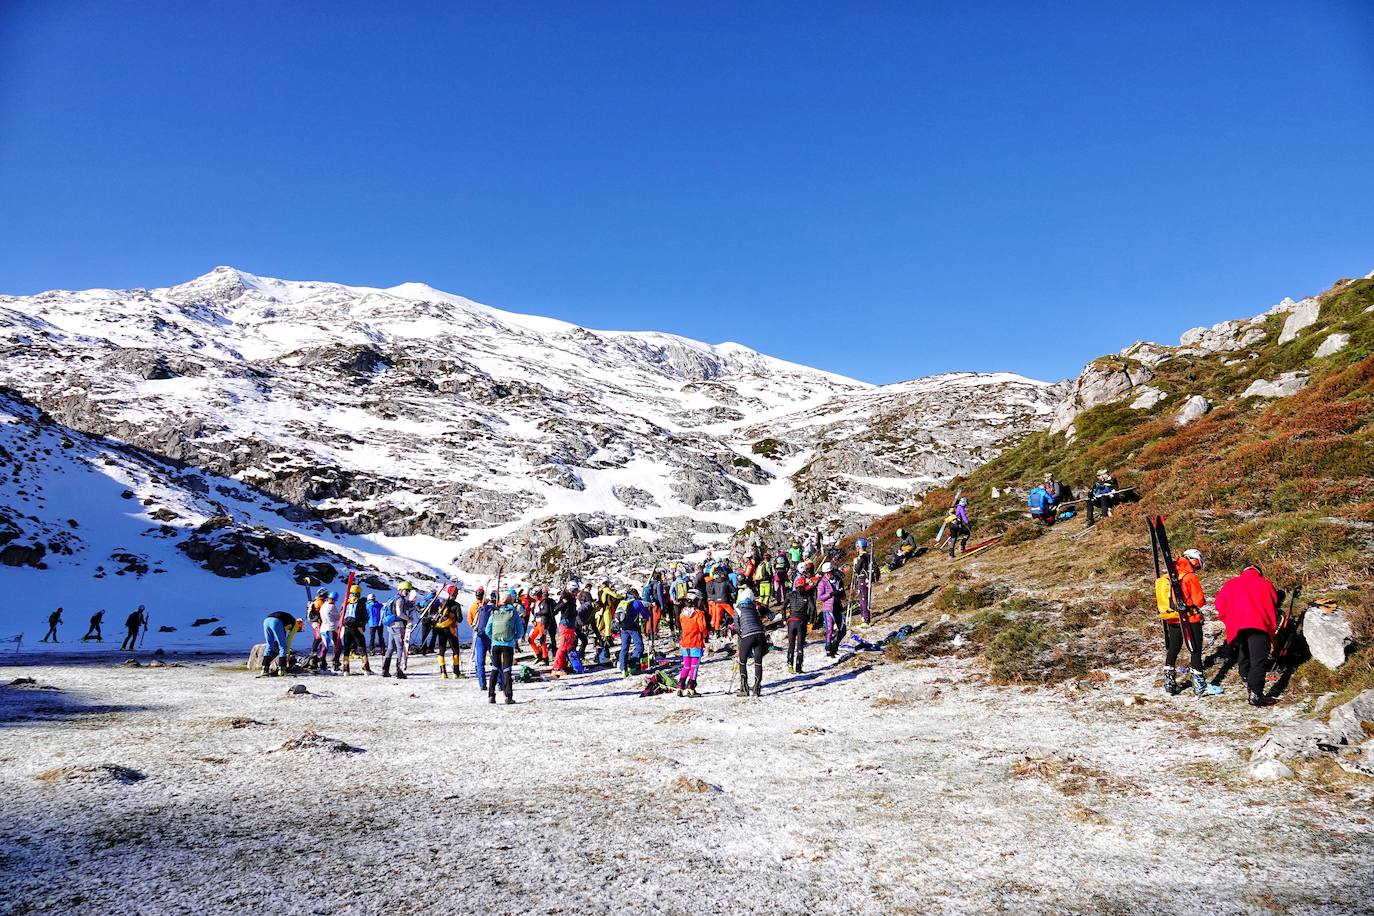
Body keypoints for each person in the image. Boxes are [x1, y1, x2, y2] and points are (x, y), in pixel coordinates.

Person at [1155, 547, 1221, 698]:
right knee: (1195, 649)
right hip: (1190, 617)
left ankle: (1169, 683)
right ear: (1193, 559)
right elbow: (1199, 600)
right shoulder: (1190, 576)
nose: (1197, 568)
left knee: (1173, 648)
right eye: (1197, 564)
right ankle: (1200, 686)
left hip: (1172, 617)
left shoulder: (1170, 574)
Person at [1214, 564, 1280, 707]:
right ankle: (1256, 694)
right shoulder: (1265, 583)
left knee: (1243, 652)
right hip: (1259, 624)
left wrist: (1230, 618)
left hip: (1237, 626)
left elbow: (1219, 604)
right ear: (1258, 572)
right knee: (1258, 659)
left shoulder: (1230, 584)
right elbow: (1274, 602)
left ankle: (1246, 677)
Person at [484, 589, 527, 704]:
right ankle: (508, 696)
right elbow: (520, 631)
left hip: (495, 644)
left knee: (494, 669)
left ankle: (491, 695)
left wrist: (494, 638)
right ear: (511, 601)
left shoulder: (495, 612)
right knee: (507, 670)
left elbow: (487, 629)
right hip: (508, 645)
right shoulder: (513, 612)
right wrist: (514, 638)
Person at [381, 582, 418, 679]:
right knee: (400, 648)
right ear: (401, 589)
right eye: (406, 590)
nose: (408, 592)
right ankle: (399, 671)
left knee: (390, 648)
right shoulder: (400, 599)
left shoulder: (394, 598)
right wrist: (408, 619)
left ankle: (385, 670)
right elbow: (399, 613)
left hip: (390, 626)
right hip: (398, 626)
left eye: (409, 591)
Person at [734, 592, 767, 698]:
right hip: (760, 635)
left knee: (742, 662)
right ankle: (757, 689)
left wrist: (740, 637)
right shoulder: (754, 608)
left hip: (747, 635)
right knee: (758, 662)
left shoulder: (738, 609)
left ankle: (744, 688)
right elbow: (759, 622)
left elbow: (737, 626)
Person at [677, 590, 708, 697]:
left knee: (686, 666)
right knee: (694, 666)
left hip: (685, 643)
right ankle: (691, 687)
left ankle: (680, 686)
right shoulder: (699, 614)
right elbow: (702, 628)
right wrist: (705, 635)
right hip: (696, 643)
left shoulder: (682, 614)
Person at [785, 568, 815, 674]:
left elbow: (783, 607)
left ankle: (789, 665)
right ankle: (798, 666)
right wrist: (811, 621)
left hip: (791, 621)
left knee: (791, 645)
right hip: (801, 622)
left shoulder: (790, 595)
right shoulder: (808, 596)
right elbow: (812, 609)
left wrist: (785, 619)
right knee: (800, 645)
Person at [340, 585, 374, 675]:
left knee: (346, 649)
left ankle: (346, 670)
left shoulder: (345, 602)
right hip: (357, 628)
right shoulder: (360, 603)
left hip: (347, 628)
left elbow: (341, 615)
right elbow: (365, 616)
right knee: (362, 648)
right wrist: (362, 625)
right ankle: (366, 669)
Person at [431, 585, 463, 679]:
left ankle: (443, 673)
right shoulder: (456, 605)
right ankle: (456, 673)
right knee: (455, 650)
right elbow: (460, 619)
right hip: (451, 629)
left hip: (440, 628)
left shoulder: (443, 603)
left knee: (442, 650)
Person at [616, 588, 649, 676]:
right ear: (635, 594)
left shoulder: (622, 603)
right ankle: (633, 665)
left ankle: (623, 669)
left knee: (624, 648)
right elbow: (646, 615)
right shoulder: (637, 602)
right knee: (639, 647)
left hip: (623, 628)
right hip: (633, 628)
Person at [259, 612, 304, 677]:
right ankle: (282, 670)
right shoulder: (295, 625)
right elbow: (288, 641)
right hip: (276, 622)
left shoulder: (288, 621)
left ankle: (264, 669)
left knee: (269, 645)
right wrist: (287, 654)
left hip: (266, 621)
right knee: (282, 646)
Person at [817, 562, 845, 657]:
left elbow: (843, 595)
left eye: (829, 572)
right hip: (828, 609)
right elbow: (820, 597)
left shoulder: (838, 580)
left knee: (843, 629)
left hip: (838, 607)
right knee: (829, 629)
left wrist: (841, 593)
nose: (828, 574)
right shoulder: (822, 583)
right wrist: (831, 594)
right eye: (826, 573)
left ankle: (835, 645)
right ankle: (828, 648)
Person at [467, 587, 492, 689]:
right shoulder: (490, 607)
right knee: (494, 659)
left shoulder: (473, 607)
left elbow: (469, 620)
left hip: (478, 634)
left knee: (479, 660)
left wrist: (474, 627)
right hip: (490, 635)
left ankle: (482, 683)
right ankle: (499, 682)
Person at [705, 562, 736, 636]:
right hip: (724, 601)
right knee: (733, 614)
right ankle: (738, 626)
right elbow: (733, 589)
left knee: (717, 618)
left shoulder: (714, 582)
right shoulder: (726, 581)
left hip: (717, 602)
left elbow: (711, 591)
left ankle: (716, 632)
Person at [553, 587, 578, 674]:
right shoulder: (565, 598)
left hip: (571, 624)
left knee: (569, 646)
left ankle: (564, 665)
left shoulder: (573, 599)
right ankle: (556, 667)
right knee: (563, 646)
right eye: (575, 590)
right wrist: (563, 602)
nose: (576, 592)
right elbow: (556, 609)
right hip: (565, 624)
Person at [852, 538, 872, 624]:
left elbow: (856, 570)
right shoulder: (868, 556)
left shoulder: (861, 557)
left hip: (862, 579)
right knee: (866, 598)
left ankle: (865, 619)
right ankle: (865, 617)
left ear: (859, 547)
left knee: (863, 599)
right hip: (867, 579)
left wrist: (855, 563)